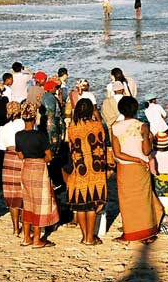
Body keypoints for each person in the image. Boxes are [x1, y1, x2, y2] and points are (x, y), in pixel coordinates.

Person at [111, 96, 163, 244]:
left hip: (124, 168)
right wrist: (148, 141)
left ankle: (130, 231)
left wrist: (135, 159)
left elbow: (117, 153)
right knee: (144, 199)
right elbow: (146, 151)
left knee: (127, 201)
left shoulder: (114, 127)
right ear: (135, 110)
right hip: (141, 168)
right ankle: (148, 232)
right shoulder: (142, 126)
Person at [16, 102, 59, 248]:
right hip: (39, 169)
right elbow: (49, 156)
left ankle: (26, 237)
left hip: (26, 169)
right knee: (39, 204)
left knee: (28, 203)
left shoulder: (19, 135)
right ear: (34, 118)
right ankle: (36, 240)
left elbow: (20, 155)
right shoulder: (40, 136)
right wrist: (41, 160)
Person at [67, 98, 108, 246]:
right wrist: (97, 115)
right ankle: (90, 238)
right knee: (92, 204)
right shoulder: (96, 126)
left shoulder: (72, 127)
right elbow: (103, 139)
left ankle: (85, 236)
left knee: (81, 204)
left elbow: (71, 145)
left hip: (79, 167)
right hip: (95, 169)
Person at [0, 101, 24, 237]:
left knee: (11, 193)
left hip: (8, 158)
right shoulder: (25, 124)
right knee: (23, 191)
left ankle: (15, 228)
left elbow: (2, 148)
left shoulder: (3, 128)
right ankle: (25, 224)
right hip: (22, 157)